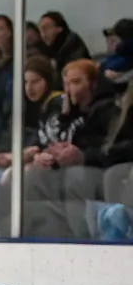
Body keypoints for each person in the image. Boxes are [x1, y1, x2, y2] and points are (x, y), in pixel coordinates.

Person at [23, 58, 116, 238]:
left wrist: (82, 156)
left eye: (76, 82)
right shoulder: (69, 113)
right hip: (69, 167)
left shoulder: (105, 109)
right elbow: (57, 141)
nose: (70, 89)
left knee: (75, 178)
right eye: (66, 84)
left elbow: (104, 147)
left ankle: (80, 239)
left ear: (93, 83)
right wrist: (47, 155)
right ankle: (48, 236)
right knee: (34, 174)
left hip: (98, 169)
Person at [0, 55, 63, 233]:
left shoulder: (56, 103)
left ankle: (0, 232)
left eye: (35, 81)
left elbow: (51, 143)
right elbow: (34, 142)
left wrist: (20, 157)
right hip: (32, 162)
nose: (29, 88)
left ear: (47, 80)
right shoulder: (32, 106)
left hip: (50, 167)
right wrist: (9, 155)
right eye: (26, 82)